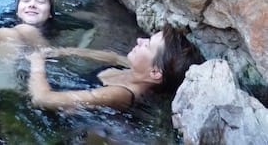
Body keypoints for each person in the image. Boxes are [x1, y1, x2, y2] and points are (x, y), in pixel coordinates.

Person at [27, 23, 202, 112]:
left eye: (147, 45)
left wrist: (36, 63)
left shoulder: (120, 94)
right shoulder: (134, 70)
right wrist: (63, 52)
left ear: (155, 72)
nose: (139, 40)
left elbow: (42, 99)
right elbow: (110, 57)